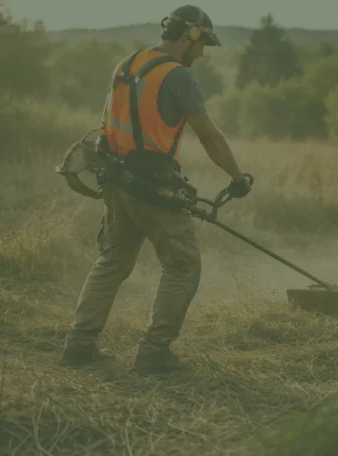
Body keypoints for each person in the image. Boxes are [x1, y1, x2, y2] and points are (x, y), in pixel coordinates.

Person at [59, 5, 251, 375]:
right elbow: (210, 135)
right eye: (203, 43)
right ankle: (154, 353)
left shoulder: (127, 63)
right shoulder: (177, 77)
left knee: (112, 261)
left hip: (115, 177)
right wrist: (238, 179)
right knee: (183, 266)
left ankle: (78, 346)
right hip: (152, 185)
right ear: (189, 36)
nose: (203, 52)